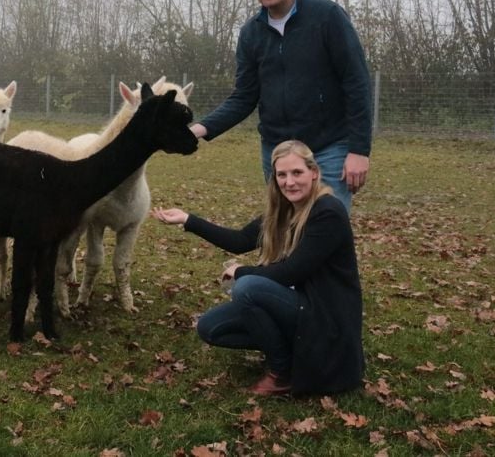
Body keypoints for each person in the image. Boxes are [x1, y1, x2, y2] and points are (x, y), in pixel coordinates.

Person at [151, 140, 364, 396]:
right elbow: (239, 241)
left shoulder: (327, 211)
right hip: (300, 305)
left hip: (325, 316)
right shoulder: (283, 212)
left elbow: (291, 273)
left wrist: (240, 272)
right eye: (282, 175)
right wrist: (188, 219)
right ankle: (289, 349)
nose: (289, 182)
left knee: (248, 288)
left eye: (297, 173)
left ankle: (282, 372)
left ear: (314, 173)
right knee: (210, 327)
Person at [190, 0, 372, 211]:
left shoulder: (327, 17)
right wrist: (198, 129)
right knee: (284, 233)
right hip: (278, 152)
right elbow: (244, 97)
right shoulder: (251, 34)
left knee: (328, 231)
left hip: (328, 147)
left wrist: (359, 150)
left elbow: (357, 83)